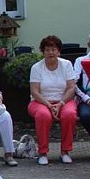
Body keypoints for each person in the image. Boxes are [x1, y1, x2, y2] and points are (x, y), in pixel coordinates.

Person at [28, 35, 78, 165]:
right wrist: (49, 105)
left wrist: (60, 104)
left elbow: (71, 88)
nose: (51, 53)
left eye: (54, 49)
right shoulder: (36, 67)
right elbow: (34, 91)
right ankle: (43, 153)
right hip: (40, 101)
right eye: (47, 50)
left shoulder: (66, 65)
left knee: (69, 114)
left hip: (63, 100)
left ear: (59, 51)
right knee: (43, 115)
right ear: (43, 52)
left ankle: (65, 152)